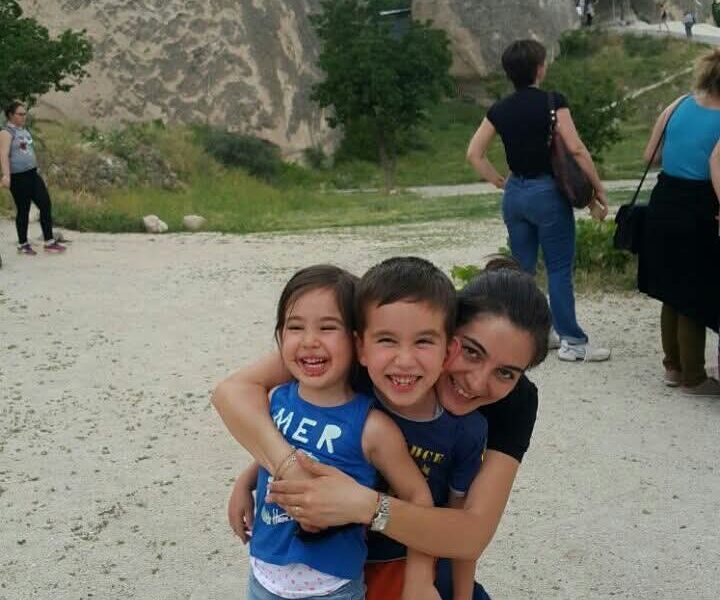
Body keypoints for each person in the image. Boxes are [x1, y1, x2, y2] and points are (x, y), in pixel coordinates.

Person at [213, 258, 552, 600]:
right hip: (331, 566)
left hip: (414, 551)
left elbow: (470, 533)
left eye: (506, 373)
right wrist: (267, 472)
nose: (476, 382)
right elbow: (237, 394)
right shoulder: (372, 342)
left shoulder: (503, 408)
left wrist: (366, 506)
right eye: (471, 351)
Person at [234, 264, 438, 600]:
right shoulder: (276, 399)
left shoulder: (372, 427)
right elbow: (274, 451)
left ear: (358, 343)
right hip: (263, 577)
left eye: (328, 327)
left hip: (332, 589)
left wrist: (420, 577)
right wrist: (243, 484)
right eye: (295, 327)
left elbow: (418, 496)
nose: (309, 341)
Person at [465, 39, 610, 363]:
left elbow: (474, 153)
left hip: (515, 194)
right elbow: (575, 148)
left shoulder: (499, 109)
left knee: (522, 272)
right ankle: (573, 341)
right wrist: (597, 189)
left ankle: (532, 335)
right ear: (539, 69)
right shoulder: (552, 102)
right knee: (558, 269)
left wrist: (500, 181)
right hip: (547, 194)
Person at [638, 48, 720, 397]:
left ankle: (672, 366)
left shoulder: (679, 104)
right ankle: (694, 376)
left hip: (664, 199)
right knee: (694, 291)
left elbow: (650, 155)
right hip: (698, 205)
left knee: (671, 288)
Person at [0, 101, 65, 255]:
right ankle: (23, 244)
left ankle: (49, 241)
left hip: (32, 174)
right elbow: (3, 154)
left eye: (25, 114)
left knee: (45, 204)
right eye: (20, 114)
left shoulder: (24, 131)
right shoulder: (6, 132)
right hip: (18, 176)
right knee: (24, 210)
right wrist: (6, 175)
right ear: (11, 115)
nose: (24, 117)